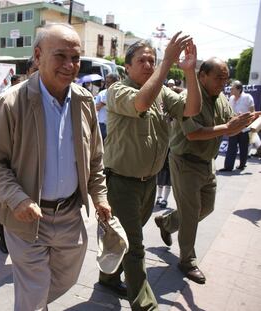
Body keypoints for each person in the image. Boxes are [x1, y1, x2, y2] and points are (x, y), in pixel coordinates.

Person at [0, 23, 111, 310]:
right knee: (35, 290)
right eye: (60, 56)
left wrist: (99, 196)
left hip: (70, 216)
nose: (70, 65)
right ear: (38, 55)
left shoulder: (85, 101)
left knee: (66, 278)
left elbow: (95, 158)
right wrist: (17, 199)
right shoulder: (11, 102)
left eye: (75, 58)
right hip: (25, 218)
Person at [100, 33, 202, 310]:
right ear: (128, 67)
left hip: (149, 183)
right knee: (135, 245)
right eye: (142, 60)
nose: (149, 65)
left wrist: (190, 72)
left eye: (152, 60)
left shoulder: (162, 93)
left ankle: (107, 278)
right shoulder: (118, 90)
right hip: (121, 183)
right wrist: (167, 62)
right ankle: (145, 304)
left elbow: (192, 109)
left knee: (125, 240)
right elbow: (141, 103)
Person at [154, 58, 259, 285]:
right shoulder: (188, 98)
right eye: (219, 77)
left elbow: (229, 126)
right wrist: (228, 127)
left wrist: (245, 123)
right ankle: (187, 261)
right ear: (202, 76)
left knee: (207, 208)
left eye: (226, 78)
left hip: (207, 162)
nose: (224, 82)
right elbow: (193, 134)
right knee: (191, 214)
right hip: (185, 162)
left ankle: (169, 223)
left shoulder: (221, 98)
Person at [219, 80, 255, 171]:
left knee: (243, 148)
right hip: (233, 127)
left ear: (239, 89)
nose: (230, 89)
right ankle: (228, 167)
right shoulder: (231, 98)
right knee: (231, 147)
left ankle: (242, 165)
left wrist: (245, 120)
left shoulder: (247, 97)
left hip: (244, 128)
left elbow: (253, 113)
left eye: (233, 88)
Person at [95, 73, 120, 141]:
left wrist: (108, 103)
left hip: (115, 125)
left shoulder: (120, 94)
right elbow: (95, 108)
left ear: (115, 83)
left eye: (109, 82)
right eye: (106, 82)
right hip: (102, 125)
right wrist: (102, 104)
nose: (106, 84)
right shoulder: (102, 93)